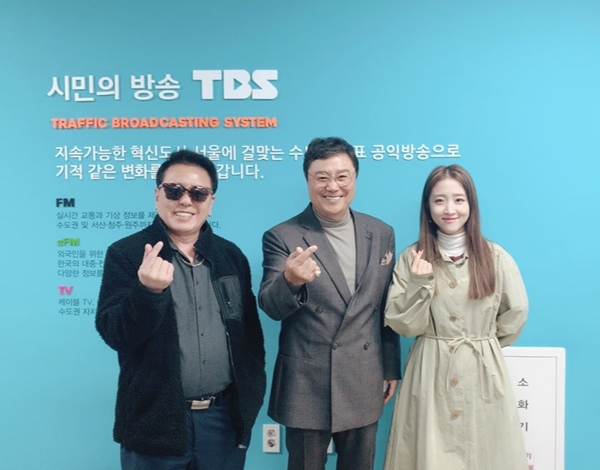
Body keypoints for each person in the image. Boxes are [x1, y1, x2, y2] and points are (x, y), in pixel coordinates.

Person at [96, 149, 266, 470]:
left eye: (198, 193)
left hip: (223, 420)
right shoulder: (127, 254)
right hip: (155, 420)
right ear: (157, 195)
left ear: (210, 202)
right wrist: (148, 292)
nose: (186, 201)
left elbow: (250, 338)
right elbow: (115, 333)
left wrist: (249, 399)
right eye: (174, 191)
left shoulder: (231, 256)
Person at [258, 136, 401, 470]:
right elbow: (270, 306)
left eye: (341, 176)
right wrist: (291, 280)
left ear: (355, 178)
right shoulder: (282, 236)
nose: (332, 186)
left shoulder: (381, 232)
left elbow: (384, 306)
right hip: (307, 381)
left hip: (364, 373)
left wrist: (390, 365)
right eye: (321, 177)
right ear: (308, 180)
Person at [383, 164, 528, 470]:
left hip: (482, 372)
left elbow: (515, 313)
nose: (449, 209)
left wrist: (483, 343)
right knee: (427, 455)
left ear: (471, 204)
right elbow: (403, 324)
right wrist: (420, 282)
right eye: (439, 200)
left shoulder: (496, 257)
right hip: (429, 372)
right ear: (427, 207)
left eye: (459, 199)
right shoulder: (412, 258)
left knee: (485, 454)